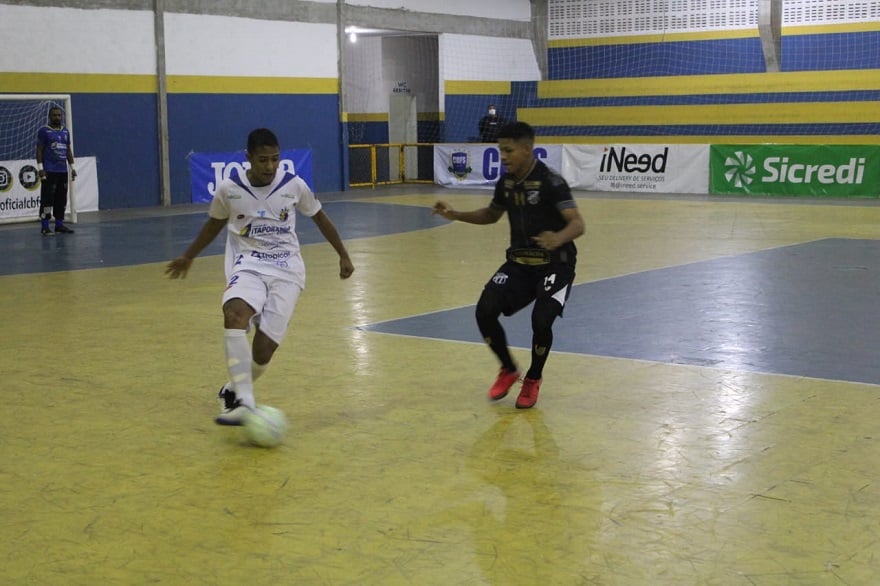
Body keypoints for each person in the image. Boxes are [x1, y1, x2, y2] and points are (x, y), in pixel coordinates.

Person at [166, 128, 355, 425]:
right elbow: (214, 225)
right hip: (248, 264)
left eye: (275, 160)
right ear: (248, 158)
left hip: (287, 269)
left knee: (263, 352)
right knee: (235, 314)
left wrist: (343, 254)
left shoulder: (294, 185)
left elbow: (319, 216)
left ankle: (233, 390)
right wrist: (189, 255)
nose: (270, 166)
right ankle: (245, 402)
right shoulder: (229, 189)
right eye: (263, 160)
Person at [432, 122, 584, 409]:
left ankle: (533, 378)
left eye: (508, 150)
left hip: (556, 264)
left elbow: (577, 223)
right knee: (484, 311)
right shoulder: (507, 182)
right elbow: (491, 214)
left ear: (527, 149)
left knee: (541, 320)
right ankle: (508, 368)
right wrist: (455, 214)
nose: (502, 156)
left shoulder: (551, 182)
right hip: (519, 263)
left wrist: (558, 237)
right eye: (500, 149)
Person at [36, 106, 76, 235]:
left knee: (61, 199)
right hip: (49, 171)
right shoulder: (44, 131)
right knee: (47, 199)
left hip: (62, 171)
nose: (57, 117)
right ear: (49, 116)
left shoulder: (65, 132)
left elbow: (68, 150)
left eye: (59, 115)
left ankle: (59, 225)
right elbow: (39, 150)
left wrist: (72, 168)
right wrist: (41, 168)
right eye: (54, 115)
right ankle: (45, 226)